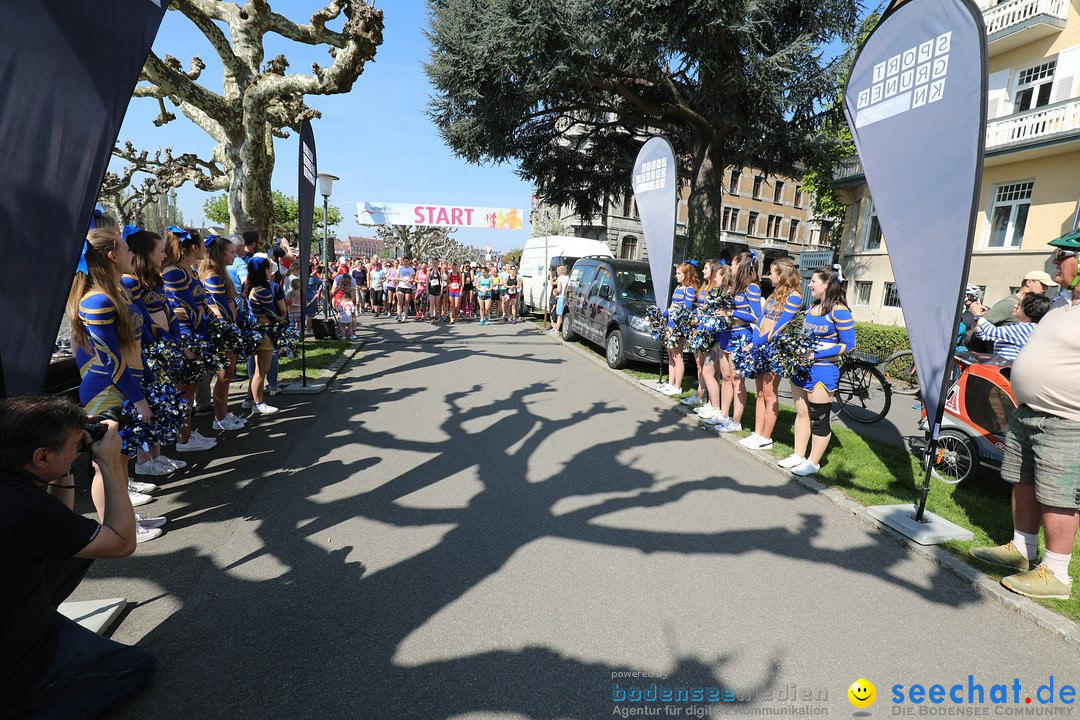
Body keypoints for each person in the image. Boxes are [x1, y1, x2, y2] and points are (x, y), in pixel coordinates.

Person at [0, 396, 156, 717]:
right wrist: (109, 464)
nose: (81, 446)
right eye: (76, 443)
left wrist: (63, 466)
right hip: (13, 665)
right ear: (41, 456)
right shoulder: (23, 506)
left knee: (73, 551)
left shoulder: (12, 478)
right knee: (138, 666)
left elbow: (57, 528)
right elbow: (120, 543)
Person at [970, 233, 1080, 599]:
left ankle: (1057, 572)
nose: (1054, 263)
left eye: (1063, 256)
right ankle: (1022, 549)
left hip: (1067, 420)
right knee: (1023, 480)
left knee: (1059, 494)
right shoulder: (1062, 307)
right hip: (1030, 412)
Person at [782, 265, 856, 476]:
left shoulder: (839, 311)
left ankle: (813, 462)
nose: (810, 285)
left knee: (819, 418)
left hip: (822, 371)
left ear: (827, 284)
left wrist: (816, 355)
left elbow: (849, 345)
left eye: (814, 281)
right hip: (801, 370)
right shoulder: (812, 308)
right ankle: (798, 455)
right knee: (802, 413)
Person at [162, 227, 218, 453]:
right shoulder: (172, 272)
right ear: (194, 247)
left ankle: (187, 433)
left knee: (190, 387)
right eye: (202, 244)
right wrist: (199, 318)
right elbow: (176, 308)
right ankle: (183, 438)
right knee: (183, 387)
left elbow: (198, 303)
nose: (205, 248)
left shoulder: (190, 271)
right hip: (185, 334)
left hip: (196, 332)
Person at [741, 257, 802, 451]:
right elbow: (762, 319)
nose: (769, 275)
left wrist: (757, 341)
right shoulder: (774, 294)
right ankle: (758, 433)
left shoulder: (794, 296)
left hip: (774, 349)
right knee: (759, 392)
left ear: (781, 275)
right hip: (760, 346)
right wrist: (753, 340)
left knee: (769, 394)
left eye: (772, 271)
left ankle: (766, 437)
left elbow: (779, 327)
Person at [201, 235, 248, 431]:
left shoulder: (219, 274)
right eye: (231, 251)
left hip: (229, 327)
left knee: (227, 374)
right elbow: (215, 306)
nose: (234, 254)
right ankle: (219, 417)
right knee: (224, 374)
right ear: (220, 254)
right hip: (223, 331)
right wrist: (230, 327)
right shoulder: (212, 275)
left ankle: (223, 413)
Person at [713, 252, 762, 434]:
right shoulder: (733, 287)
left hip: (740, 335)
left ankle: (736, 421)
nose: (730, 269)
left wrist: (732, 313)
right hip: (726, 334)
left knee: (736, 380)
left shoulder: (752, 288)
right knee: (725, 378)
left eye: (733, 266)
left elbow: (757, 317)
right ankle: (724, 415)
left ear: (741, 267)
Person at [245, 257, 286, 415]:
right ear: (263, 271)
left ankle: (251, 400)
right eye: (269, 269)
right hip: (265, 332)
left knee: (258, 369)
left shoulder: (252, 287)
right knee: (262, 370)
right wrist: (282, 325)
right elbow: (273, 313)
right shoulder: (263, 290)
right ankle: (258, 403)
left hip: (258, 330)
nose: (271, 272)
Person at [970, 293, 1052, 361]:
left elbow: (991, 331)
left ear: (1029, 310)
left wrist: (978, 315)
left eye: (1019, 305)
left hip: (1009, 373)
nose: (1015, 305)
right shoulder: (1017, 326)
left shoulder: (1027, 328)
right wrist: (978, 318)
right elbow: (985, 336)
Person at [661, 263, 699, 395]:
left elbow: (687, 308)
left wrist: (674, 311)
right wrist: (661, 315)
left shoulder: (689, 290)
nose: (676, 276)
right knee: (670, 355)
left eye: (679, 273)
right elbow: (672, 306)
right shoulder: (678, 288)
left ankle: (678, 386)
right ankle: (670, 383)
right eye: (676, 273)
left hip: (679, 326)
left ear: (686, 275)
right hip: (671, 324)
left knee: (678, 356)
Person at [979, 270, 1057, 327]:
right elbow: (980, 327)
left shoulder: (1033, 305)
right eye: (1043, 284)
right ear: (1029, 282)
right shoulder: (1008, 304)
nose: (1045, 289)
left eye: (1047, 286)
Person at [549, 264, 570, 336]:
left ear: (560, 271)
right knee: (563, 314)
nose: (557, 272)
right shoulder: (567, 278)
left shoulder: (560, 278)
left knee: (559, 315)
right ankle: (558, 329)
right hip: (565, 297)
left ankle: (556, 331)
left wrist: (550, 276)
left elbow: (558, 288)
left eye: (558, 271)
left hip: (560, 297)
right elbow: (568, 289)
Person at [396, 257, 416, 323]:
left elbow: (413, 279)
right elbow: (397, 278)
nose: (406, 262)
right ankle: (399, 315)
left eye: (407, 261)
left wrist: (409, 280)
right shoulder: (400, 268)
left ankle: (405, 315)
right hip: (401, 286)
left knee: (407, 301)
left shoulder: (411, 269)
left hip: (408, 287)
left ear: (409, 262)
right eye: (405, 261)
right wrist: (402, 280)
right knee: (400, 302)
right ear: (403, 262)